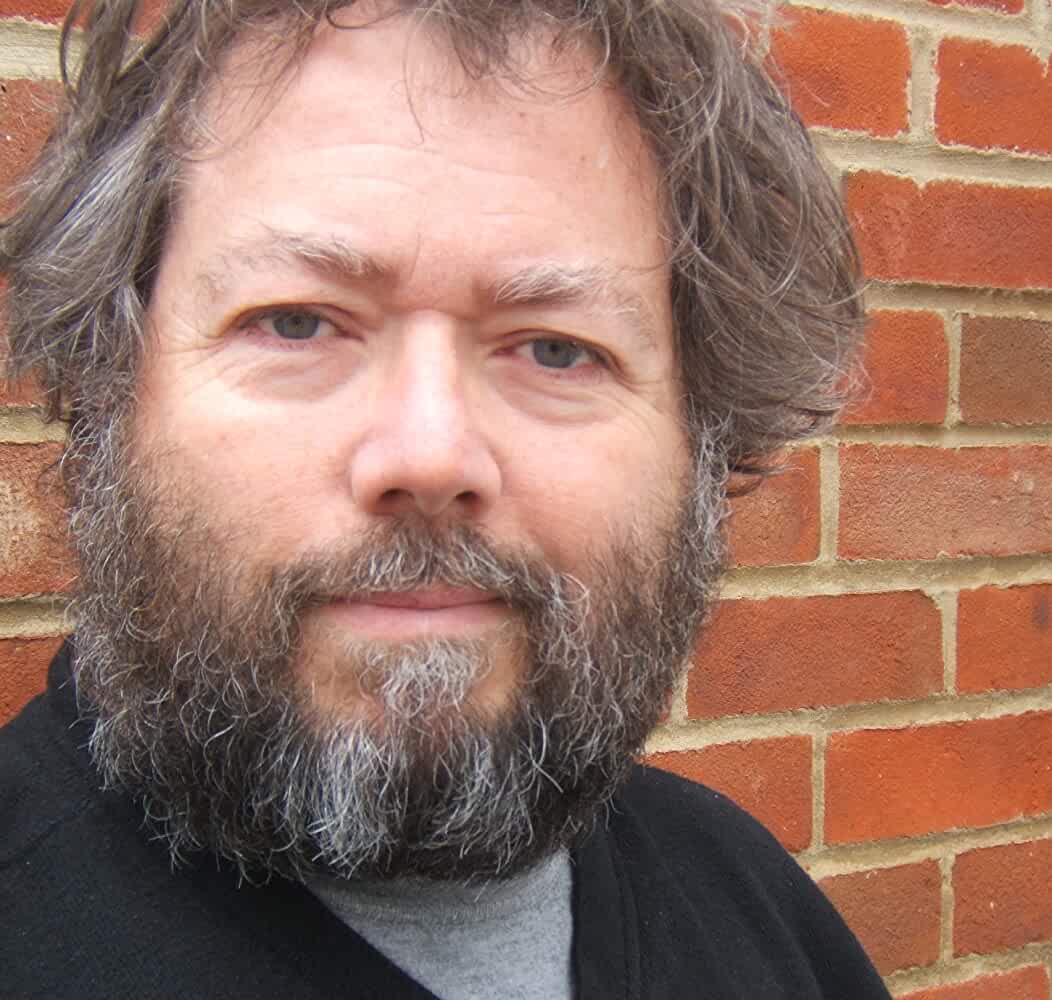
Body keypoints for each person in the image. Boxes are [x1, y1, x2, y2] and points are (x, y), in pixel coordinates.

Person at [0, 0, 891, 997]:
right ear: (111, 386)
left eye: (556, 347)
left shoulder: (752, 903)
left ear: (698, 435)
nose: (429, 454)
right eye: (296, 322)